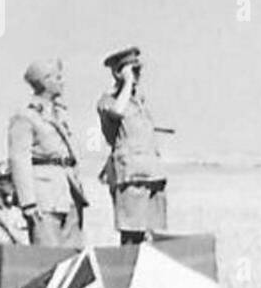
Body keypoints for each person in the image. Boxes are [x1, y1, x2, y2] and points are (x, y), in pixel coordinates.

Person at [9, 58, 86, 246]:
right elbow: (19, 160)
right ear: (45, 81)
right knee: (48, 255)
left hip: (68, 192)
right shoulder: (25, 116)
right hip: (43, 196)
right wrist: (28, 202)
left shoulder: (60, 114)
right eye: (57, 78)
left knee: (73, 255)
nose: (62, 82)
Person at [97, 47, 167, 244]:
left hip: (152, 173)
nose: (137, 76)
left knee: (155, 235)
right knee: (132, 235)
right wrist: (126, 81)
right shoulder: (108, 100)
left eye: (138, 71)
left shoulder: (139, 102)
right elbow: (117, 112)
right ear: (118, 73)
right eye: (132, 71)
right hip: (131, 176)